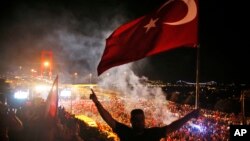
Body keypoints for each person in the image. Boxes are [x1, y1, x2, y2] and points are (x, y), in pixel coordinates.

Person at [89, 89, 200, 141]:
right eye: (136, 120)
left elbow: (173, 127)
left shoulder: (152, 133)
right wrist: (97, 103)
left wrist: (190, 116)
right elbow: (108, 119)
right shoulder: (125, 132)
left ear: (144, 120)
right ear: (131, 120)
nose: (139, 122)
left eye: (141, 119)